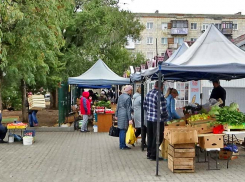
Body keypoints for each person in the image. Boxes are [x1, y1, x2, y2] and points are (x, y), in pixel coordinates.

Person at [143, 81, 168, 160]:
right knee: (158, 137)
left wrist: (150, 112)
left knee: (150, 136)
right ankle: (154, 155)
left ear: (155, 85)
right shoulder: (159, 95)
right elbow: (163, 109)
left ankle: (149, 153)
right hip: (157, 120)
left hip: (149, 119)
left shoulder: (149, 93)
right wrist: (165, 117)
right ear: (161, 87)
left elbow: (144, 106)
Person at [115, 85, 133, 150]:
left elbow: (117, 106)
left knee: (121, 130)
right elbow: (128, 109)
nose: (131, 91)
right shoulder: (128, 98)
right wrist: (130, 119)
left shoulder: (120, 96)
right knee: (123, 130)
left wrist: (116, 114)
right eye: (131, 90)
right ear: (129, 90)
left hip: (120, 113)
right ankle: (123, 145)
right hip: (125, 115)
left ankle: (121, 144)